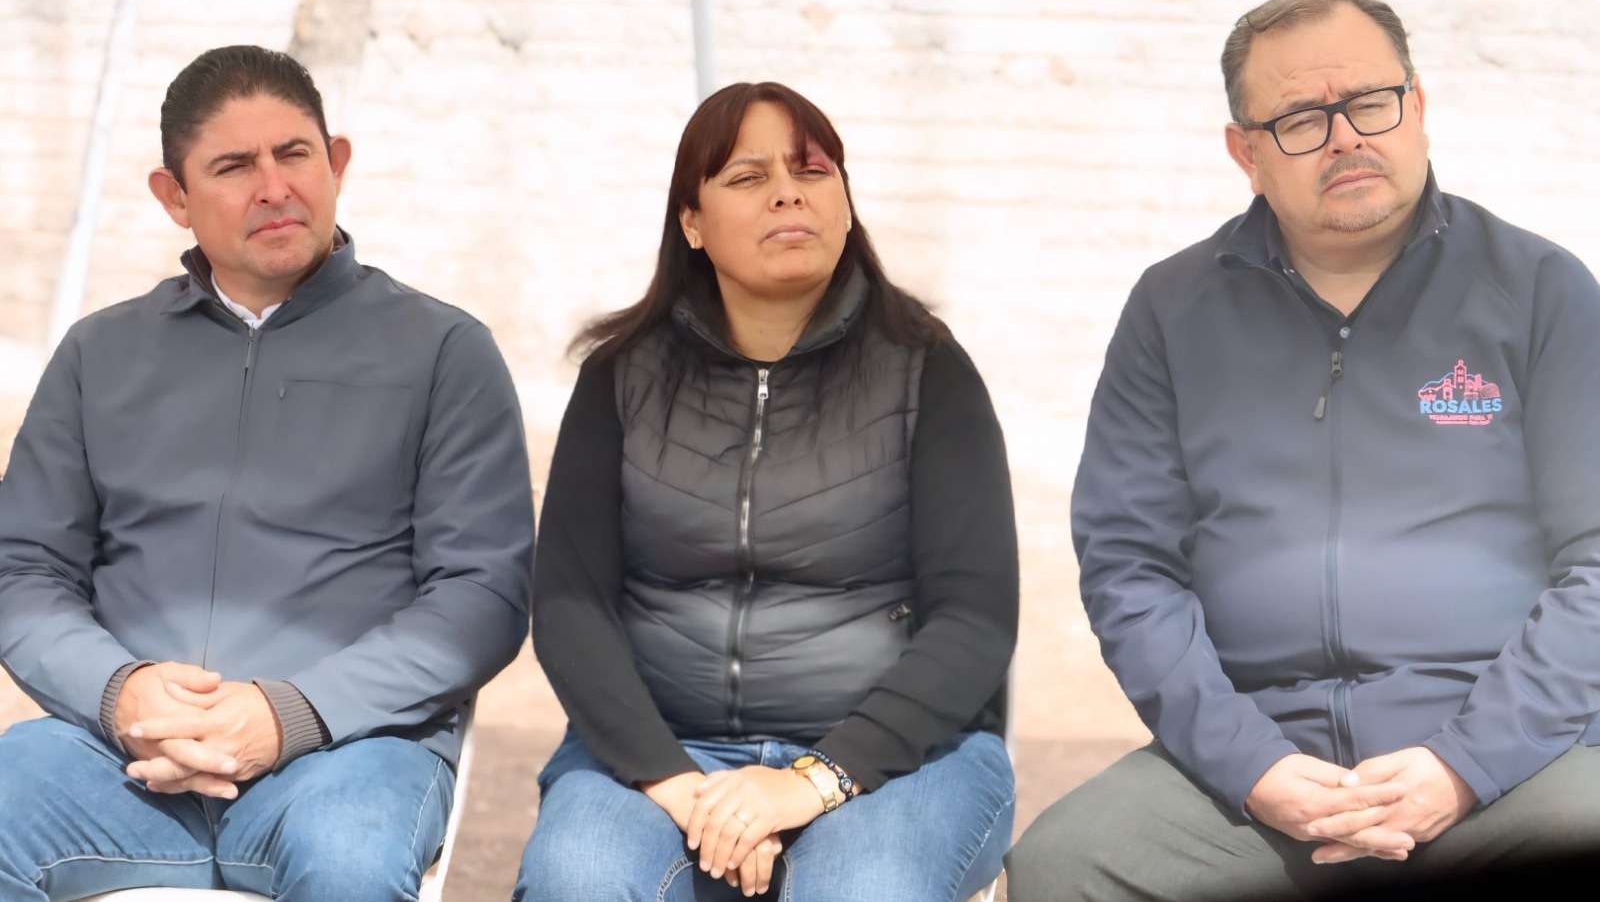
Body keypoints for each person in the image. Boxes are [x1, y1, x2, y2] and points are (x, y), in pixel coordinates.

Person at [1006, 0, 1600, 901]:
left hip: (1505, 762)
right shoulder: (1173, 309)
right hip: (1257, 771)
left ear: (1418, 106)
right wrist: (1254, 767)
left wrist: (1463, 764)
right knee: (1066, 863)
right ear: (1245, 153)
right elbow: (1129, 567)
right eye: (1300, 120)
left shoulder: (1539, 290)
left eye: (1370, 102)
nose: (1345, 137)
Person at [0, 45, 534, 900]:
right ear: (174, 196)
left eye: (294, 154)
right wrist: (121, 692)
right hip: (115, 756)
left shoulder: (443, 352)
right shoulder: (101, 354)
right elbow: (22, 568)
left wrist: (288, 714)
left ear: (338, 163)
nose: (275, 187)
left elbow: (483, 594)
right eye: (234, 166)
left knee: (350, 861)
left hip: (349, 752)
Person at [514, 82, 1017, 901]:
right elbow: (571, 605)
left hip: (896, 760)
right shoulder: (621, 374)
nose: (788, 191)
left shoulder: (929, 369)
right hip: (665, 753)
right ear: (692, 221)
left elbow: (976, 620)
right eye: (748, 177)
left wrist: (811, 781)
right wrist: (678, 784)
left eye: (811, 170)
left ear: (845, 203)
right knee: (580, 879)